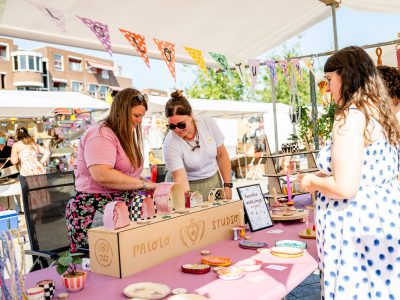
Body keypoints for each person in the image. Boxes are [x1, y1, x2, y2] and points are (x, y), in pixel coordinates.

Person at [299, 46, 400, 299]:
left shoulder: (351, 116)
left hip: (354, 226)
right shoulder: (382, 113)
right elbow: (367, 171)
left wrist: (311, 180)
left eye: (329, 80)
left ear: (346, 76)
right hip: (384, 220)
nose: (328, 88)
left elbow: (346, 187)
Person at [65, 88, 157, 252]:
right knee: (108, 261)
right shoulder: (99, 134)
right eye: (136, 116)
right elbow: (102, 174)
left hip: (119, 206)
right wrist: (142, 185)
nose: (139, 121)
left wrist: (145, 183)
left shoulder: (122, 135)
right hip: (95, 209)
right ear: (121, 111)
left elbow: (126, 174)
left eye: (142, 116)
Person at [163, 90, 232, 201]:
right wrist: (189, 203)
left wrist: (228, 186)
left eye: (181, 125)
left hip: (213, 182)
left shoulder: (207, 122)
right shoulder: (170, 143)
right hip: (186, 186)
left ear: (191, 115)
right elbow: (181, 179)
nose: (177, 130)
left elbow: (222, 155)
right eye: (171, 126)